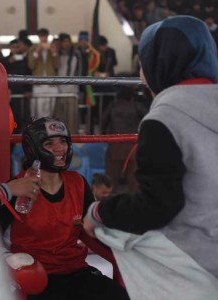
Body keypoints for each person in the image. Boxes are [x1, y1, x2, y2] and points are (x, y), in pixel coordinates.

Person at [83, 15, 218, 299]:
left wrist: (99, 213)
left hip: (196, 263)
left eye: (142, 59)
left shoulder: (164, 117)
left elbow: (157, 206)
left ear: (160, 61)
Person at [0, 117, 130, 300]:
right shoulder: (15, 189)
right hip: (37, 277)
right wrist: (12, 262)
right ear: (32, 148)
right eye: (49, 143)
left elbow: (91, 229)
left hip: (76, 270)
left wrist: (123, 248)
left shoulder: (78, 183)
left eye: (63, 141)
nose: (59, 148)